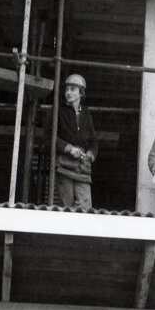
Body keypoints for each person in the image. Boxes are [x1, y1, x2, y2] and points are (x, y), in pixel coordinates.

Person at [54, 73, 98, 209]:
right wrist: (69, 148)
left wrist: (89, 155)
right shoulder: (57, 111)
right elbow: (48, 139)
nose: (68, 92)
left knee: (85, 206)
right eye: (67, 89)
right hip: (64, 165)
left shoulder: (86, 114)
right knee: (66, 206)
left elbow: (94, 142)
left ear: (81, 93)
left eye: (72, 89)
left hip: (82, 168)